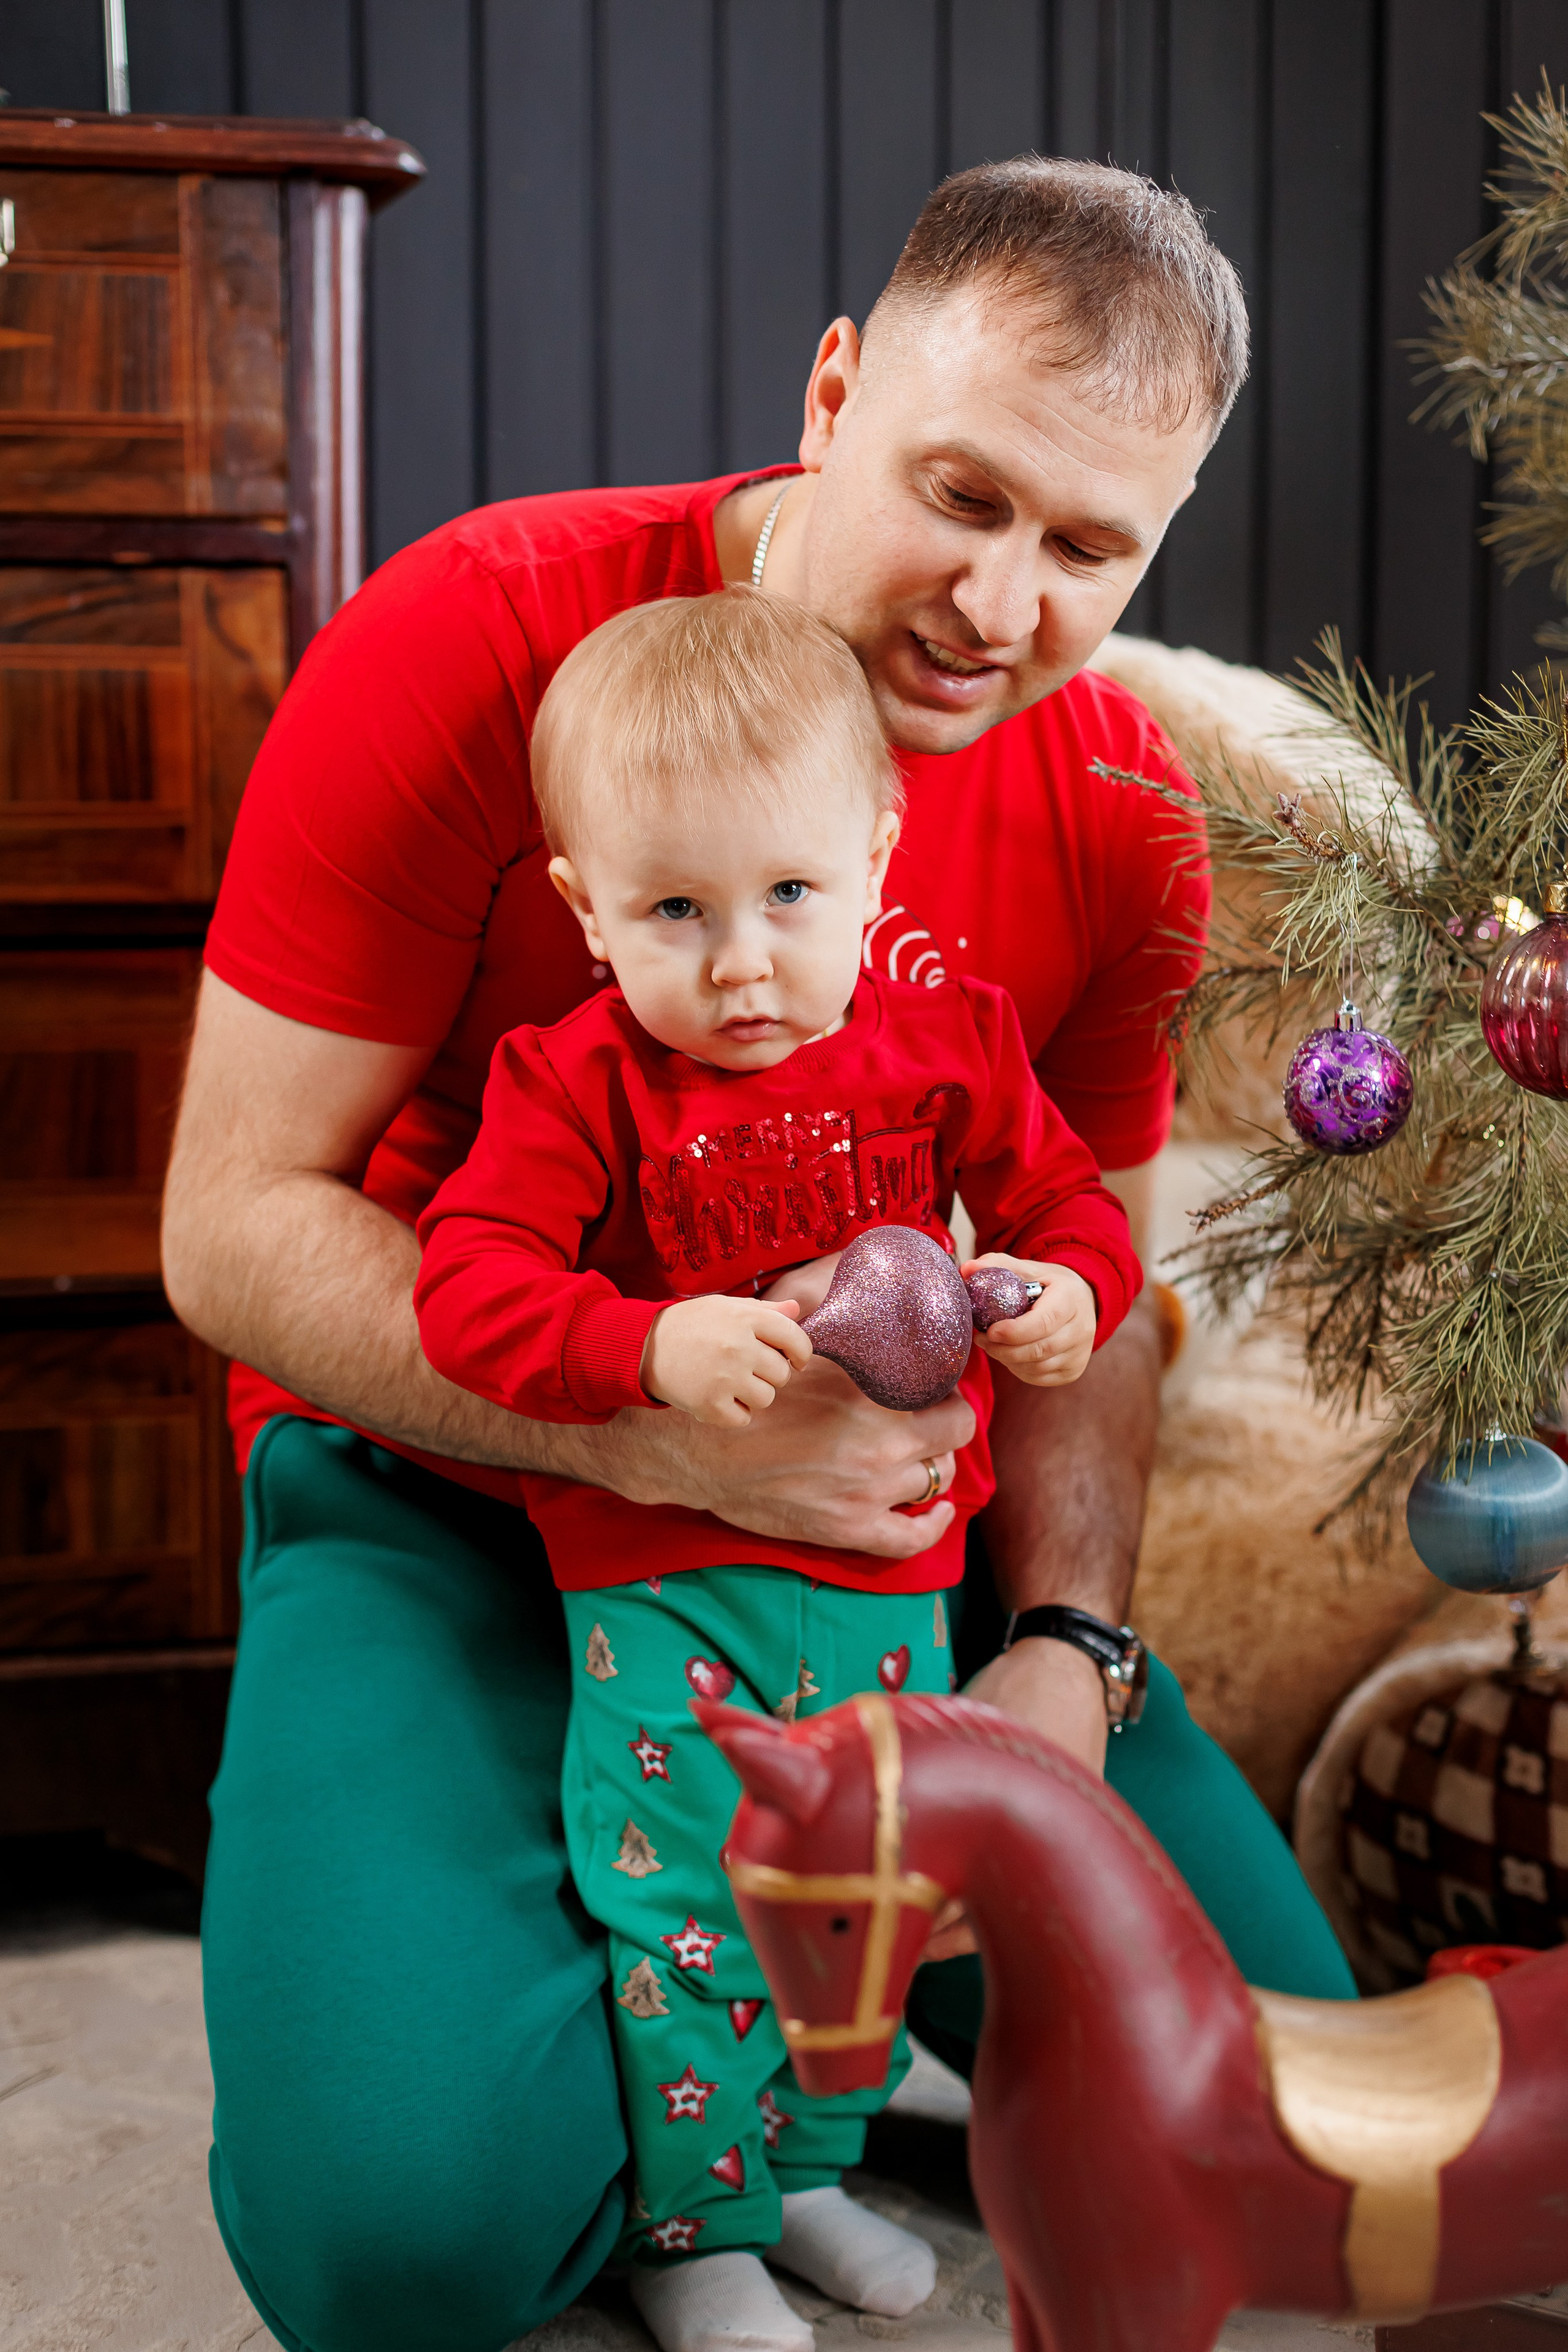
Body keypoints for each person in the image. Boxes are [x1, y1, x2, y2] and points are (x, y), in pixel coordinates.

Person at [163, 157, 1356, 2352]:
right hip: (453, 1490)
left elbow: (1086, 1281)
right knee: (402, 2241)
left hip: (896, 1573)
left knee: (1285, 2120)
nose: (1002, 603)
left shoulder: (1114, 807)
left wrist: (1067, 1657)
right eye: (963, 495)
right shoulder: (486, 635)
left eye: (1090, 547)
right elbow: (227, 1230)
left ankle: (769, 2019)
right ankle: (667, 2041)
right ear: (832, 393)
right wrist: (657, 1452)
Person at [411, 587, 1142, 2352]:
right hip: (665, 1596)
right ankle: (694, 2228)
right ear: (590, 909)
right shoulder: (575, 1082)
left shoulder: (947, 1038)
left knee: (863, 1895)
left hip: (897, 1584)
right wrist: (638, 1348)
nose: (742, 962)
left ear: (879, 859)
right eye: (677, 910)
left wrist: (1063, 1294)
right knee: (683, 1900)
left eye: (789, 898)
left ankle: (806, 2164)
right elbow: (465, 1290)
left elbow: (1070, 1209)